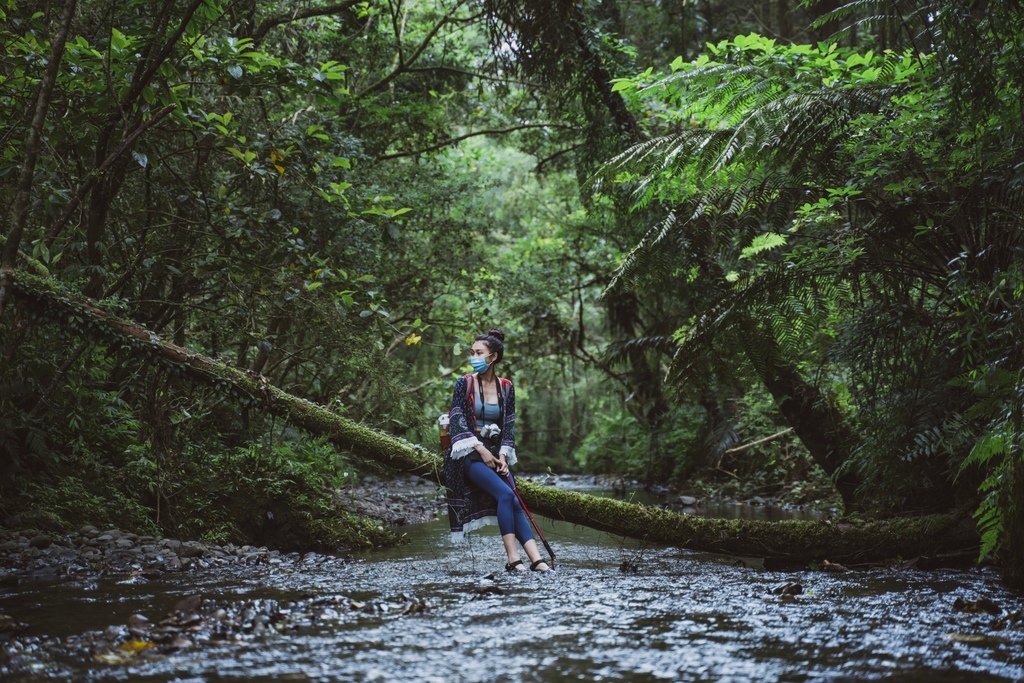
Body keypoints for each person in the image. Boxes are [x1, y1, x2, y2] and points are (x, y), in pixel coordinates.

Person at [442, 328, 551, 572]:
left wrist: (502, 455)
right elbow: (457, 419)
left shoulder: (507, 388)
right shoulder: (465, 383)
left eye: (479, 352)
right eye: (472, 353)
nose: (473, 357)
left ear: (493, 357)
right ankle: (513, 559)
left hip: (495, 451)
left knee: (514, 500)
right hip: (468, 453)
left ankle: (537, 560)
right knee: (505, 495)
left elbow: (508, 425)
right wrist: (481, 450)